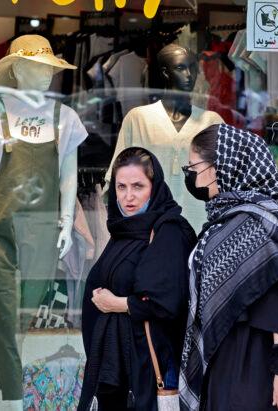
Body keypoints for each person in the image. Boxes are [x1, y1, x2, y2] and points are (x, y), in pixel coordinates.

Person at [179, 124, 278, 411]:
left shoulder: (255, 224)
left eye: (194, 166)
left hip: (252, 367)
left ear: (221, 166)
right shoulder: (230, 217)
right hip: (229, 360)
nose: (191, 175)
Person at [78, 147, 197, 411]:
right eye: (121, 187)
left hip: (145, 370)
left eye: (138, 186)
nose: (128, 197)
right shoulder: (122, 231)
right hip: (113, 368)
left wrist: (119, 304)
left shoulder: (169, 232)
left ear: (154, 187)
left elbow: (168, 302)